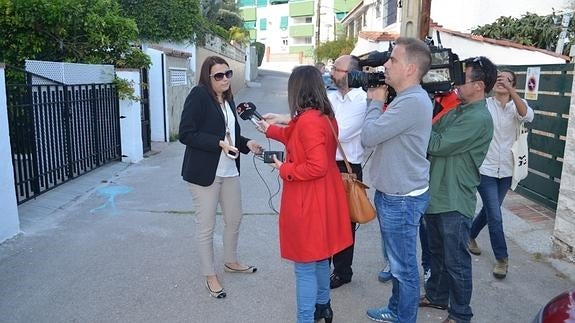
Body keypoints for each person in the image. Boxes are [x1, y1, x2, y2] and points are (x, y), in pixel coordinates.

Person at [257, 65, 353, 323]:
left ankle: (306, 318)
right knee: (320, 257)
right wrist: (268, 129)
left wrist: (285, 168)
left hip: (308, 200)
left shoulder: (309, 120)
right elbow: (293, 135)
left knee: (304, 266)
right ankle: (323, 306)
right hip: (324, 196)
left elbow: (316, 165)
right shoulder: (323, 116)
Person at [420, 56, 497, 323]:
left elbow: (436, 143)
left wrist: (418, 116)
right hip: (438, 193)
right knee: (438, 254)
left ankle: (461, 313)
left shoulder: (479, 118)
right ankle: (438, 296)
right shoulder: (459, 110)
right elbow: (433, 130)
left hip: (455, 198)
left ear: (478, 85)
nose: (456, 85)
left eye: (462, 80)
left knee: (456, 261)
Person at [178, 56, 263, 299]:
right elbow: (186, 134)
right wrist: (217, 144)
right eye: (218, 75)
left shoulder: (227, 99)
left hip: (230, 170)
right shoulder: (198, 96)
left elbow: (231, 135)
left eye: (227, 74)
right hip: (205, 172)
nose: (225, 78)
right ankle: (210, 275)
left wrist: (248, 144)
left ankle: (230, 261)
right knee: (206, 227)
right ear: (208, 77)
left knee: (234, 219)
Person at [361, 37, 433, 323]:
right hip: (395, 194)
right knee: (397, 264)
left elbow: (369, 137)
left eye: (393, 60)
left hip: (402, 199)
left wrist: (374, 104)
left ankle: (404, 318)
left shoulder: (412, 101)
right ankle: (395, 309)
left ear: (410, 68)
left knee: (404, 268)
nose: (386, 64)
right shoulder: (407, 98)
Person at [468, 69, 534, 279]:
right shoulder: (485, 105)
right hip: (485, 169)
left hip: (507, 170)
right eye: (498, 78)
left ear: (514, 84)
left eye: (507, 79)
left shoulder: (517, 106)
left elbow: (527, 115)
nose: (501, 82)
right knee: (495, 215)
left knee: (490, 211)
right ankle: (502, 258)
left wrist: (512, 92)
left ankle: (469, 235)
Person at [326, 55, 369, 289]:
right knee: (324, 218)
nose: (332, 72)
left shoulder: (363, 101)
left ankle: (342, 271)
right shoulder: (330, 97)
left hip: (347, 168)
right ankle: (324, 263)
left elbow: (337, 133)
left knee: (344, 223)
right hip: (326, 164)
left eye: (337, 69)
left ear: (351, 74)